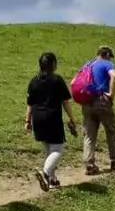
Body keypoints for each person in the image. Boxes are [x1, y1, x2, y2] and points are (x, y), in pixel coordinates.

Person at [25, 52, 78, 191]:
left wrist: (27, 120)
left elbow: (30, 103)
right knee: (57, 150)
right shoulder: (57, 80)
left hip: (38, 119)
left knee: (49, 150)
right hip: (52, 118)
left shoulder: (34, 81)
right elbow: (65, 102)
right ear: (53, 64)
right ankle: (45, 173)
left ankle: (53, 180)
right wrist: (72, 118)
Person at [81, 45, 115, 175]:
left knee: (89, 134)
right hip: (102, 101)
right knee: (111, 130)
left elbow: (73, 82)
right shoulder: (107, 64)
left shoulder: (87, 65)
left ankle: (89, 164)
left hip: (87, 102)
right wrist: (111, 94)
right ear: (107, 55)